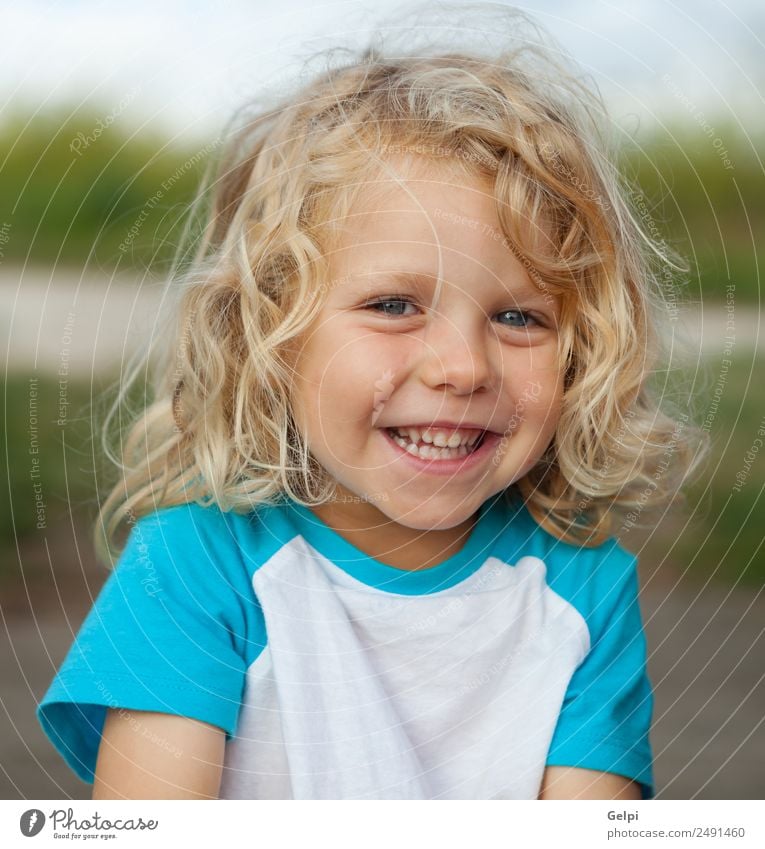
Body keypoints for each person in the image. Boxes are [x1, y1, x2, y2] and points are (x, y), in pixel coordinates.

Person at [37, 4, 702, 800]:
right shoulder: (193, 567)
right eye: (393, 304)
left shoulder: (582, 593)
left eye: (518, 316)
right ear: (271, 336)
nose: (461, 366)